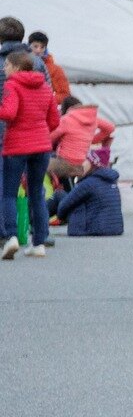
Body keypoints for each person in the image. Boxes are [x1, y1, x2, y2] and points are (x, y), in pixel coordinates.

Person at [1, 47, 61, 260]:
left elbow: (9, 113)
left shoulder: (12, 85)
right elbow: (54, 120)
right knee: (36, 193)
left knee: (8, 192)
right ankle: (39, 242)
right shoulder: (45, 87)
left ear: (16, 67)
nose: (4, 68)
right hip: (41, 146)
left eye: (7, 65)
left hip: (17, 146)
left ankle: (10, 237)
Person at [49, 96, 114, 185]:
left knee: (40, 165)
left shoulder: (67, 119)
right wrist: (91, 139)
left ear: (66, 109)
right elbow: (110, 128)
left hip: (66, 163)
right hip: (83, 164)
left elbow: (50, 139)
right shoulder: (93, 119)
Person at [26, 32, 71, 104]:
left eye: (42, 47)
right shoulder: (20, 64)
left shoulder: (56, 70)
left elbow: (65, 94)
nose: (38, 50)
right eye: (35, 46)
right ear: (29, 46)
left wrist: (44, 100)